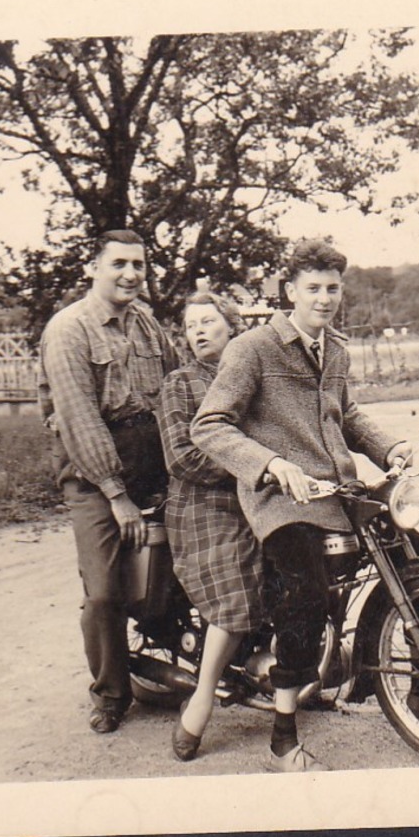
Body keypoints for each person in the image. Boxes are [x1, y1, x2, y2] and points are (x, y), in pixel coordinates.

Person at [191, 239, 413, 772]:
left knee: (413, 552)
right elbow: (209, 425)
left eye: (333, 287)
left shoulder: (334, 348)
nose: (324, 298)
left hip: (337, 493)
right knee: (305, 593)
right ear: (288, 291)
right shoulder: (253, 348)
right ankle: (283, 735)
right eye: (312, 288)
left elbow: (347, 414)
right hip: (281, 502)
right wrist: (269, 464)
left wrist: (389, 448)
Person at [39, 229, 179, 735]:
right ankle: (111, 693)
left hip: (154, 462)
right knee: (103, 592)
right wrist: (117, 497)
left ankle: (191, 659)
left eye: (139, 265)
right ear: (93, 268)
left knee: (193, 556)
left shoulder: (146, 323)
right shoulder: (68, 330)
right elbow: (78, 418)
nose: (130, 274)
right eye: (118, 263)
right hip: (94, 477)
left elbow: (177, 386)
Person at [156, 291, 264, 762]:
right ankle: (201, 699)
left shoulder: (254, 376)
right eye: (190, 325)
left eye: (208, 321)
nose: (198, 330)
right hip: (203, 503)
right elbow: (183, 457)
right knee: (236, 583)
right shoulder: (180, 384)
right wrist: (256, 466)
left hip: (259, 494)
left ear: (232, 325)